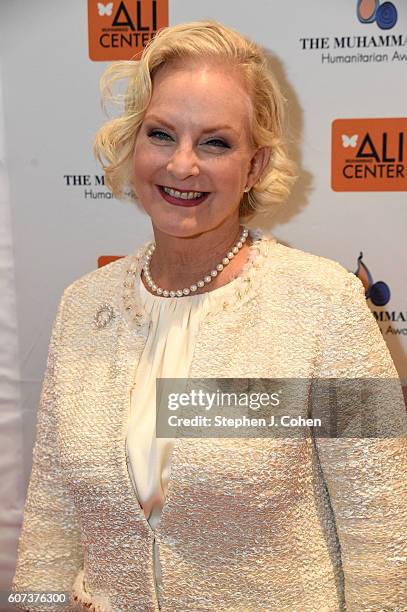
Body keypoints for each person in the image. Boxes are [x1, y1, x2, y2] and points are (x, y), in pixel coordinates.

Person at [12, 19, 406, 612]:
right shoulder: (82, 304)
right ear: (132, 143)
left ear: (254, 165)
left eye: (216, 142)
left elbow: (382, 535)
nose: (182, 165)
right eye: (162, 134)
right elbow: (51, 516)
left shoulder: (327, 303)